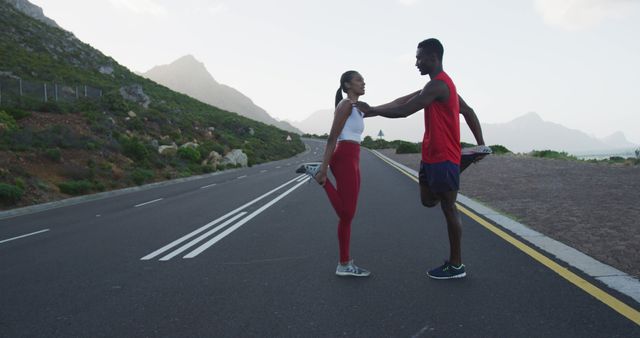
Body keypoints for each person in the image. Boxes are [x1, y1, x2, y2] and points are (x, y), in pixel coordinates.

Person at [357, 38, 488, 279]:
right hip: (430, 156)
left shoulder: (440, 86)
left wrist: (481, 143)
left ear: (434, 58)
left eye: (420, 58)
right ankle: (462, 164)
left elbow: (405, 111)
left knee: (449, 207)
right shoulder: (432, 87)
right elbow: (401, 102)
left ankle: (456, 265)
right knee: (427, 201)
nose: (416, 63)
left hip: (444, 157)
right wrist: (372, 110)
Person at [299, 70, 372, 277]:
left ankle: (344, 263)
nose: (363, 82)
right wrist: (324, 167)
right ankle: (320, 178)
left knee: (348, 216)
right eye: (359, 80)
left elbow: (390, 109)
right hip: (344, 157)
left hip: (354, 158)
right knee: (346, 214)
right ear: (348, 85)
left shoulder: (357, 107)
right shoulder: (345, 105)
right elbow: (332, 138)